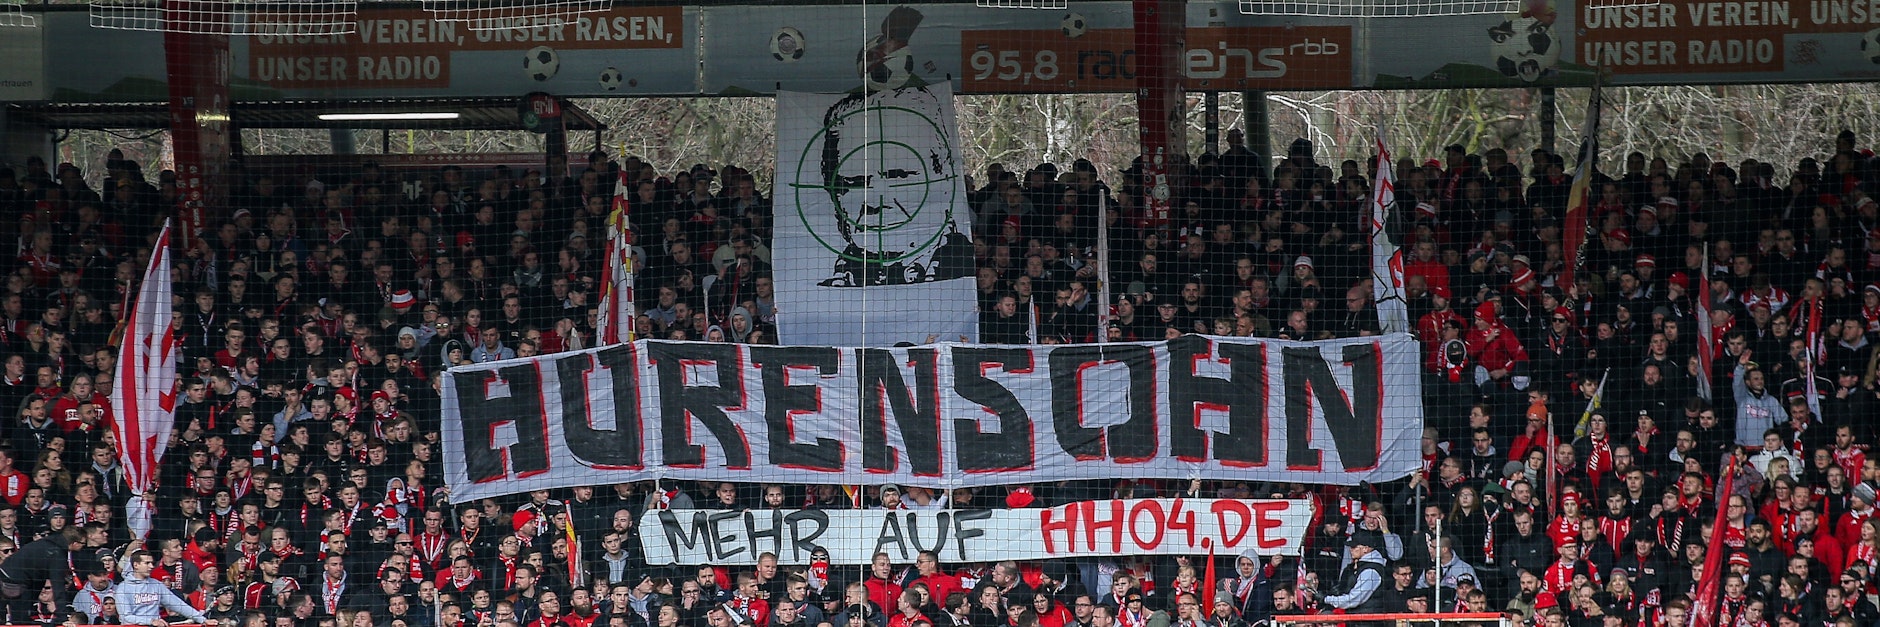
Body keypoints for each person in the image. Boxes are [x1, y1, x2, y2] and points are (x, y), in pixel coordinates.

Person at [118, 550, 218, 627]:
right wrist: (151, 621)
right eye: (147, 563)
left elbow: (179, 605)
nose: (151, 566)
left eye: (152, 563)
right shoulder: (123, 588)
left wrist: (202, 619)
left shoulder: (156, 585)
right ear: (136, 565)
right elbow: (126, 617)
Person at [1319, 530, 1389, 625]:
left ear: (1365, 548)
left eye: (1354, 547)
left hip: (1368, 624)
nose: (1350, 549)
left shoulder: (1371, 571)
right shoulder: (1355, 567)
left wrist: (1327, 599)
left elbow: (1354, 599)